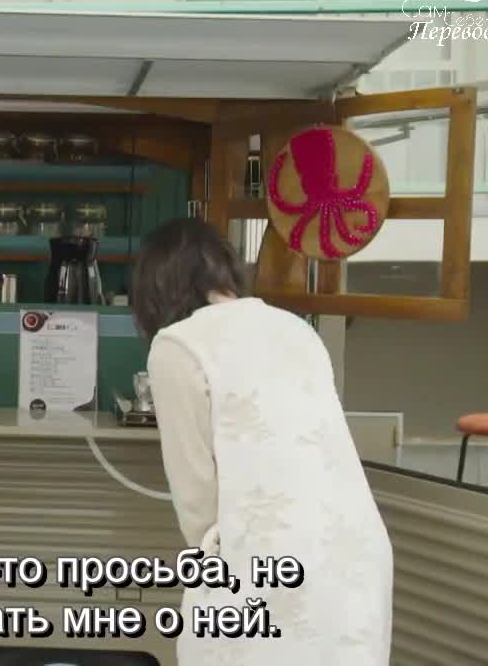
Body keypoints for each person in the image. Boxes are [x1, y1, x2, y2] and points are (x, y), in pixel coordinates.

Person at [133, 217, 393, 665]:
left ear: (154, 287)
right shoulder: (297, 329)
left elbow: (197, 502)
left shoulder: (177, 345)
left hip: (268, 560)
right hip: (355, 556)